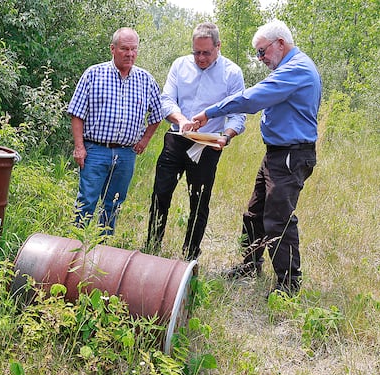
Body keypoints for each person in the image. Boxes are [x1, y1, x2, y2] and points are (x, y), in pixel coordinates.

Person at [191, 20, 321, 296]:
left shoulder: (296, 70)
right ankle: (250, 264)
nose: (261, 59)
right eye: (258, 54)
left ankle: (288, 285)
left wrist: (209, 112)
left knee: (278, 218)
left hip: (291, 155)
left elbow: (252, 99)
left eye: (262, 52)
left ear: (281, 44)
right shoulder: (289, 68)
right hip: (277, 154)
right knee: (254, 212)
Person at [145, 22, 246, 260]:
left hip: (208, 144)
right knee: (160, 193)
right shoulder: (180, 65)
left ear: (218, 47)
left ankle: (190, 257)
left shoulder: (232, 73)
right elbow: (166, 100)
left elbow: (238, 113)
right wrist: (181, 119)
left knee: (199, 202)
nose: (200, 58)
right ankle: (152, 248)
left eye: (206, 53)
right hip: (176, 138)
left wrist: (227, 136)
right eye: (196, 52)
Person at [67, 27, 163, 235]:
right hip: (95, 150)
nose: (130, 54)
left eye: (134, 49)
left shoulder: (146, 80)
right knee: (86, 201)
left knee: (114, 203)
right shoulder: (94, 74)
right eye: (124, 49)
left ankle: (103, 251)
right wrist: (79, 147)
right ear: (112, 49)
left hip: (126, 154)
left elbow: (158, 114)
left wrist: (145, 140)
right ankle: (74, 248)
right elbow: (76, 113)